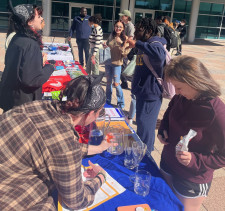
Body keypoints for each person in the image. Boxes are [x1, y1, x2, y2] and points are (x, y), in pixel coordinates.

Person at [0, 75, 117, 210]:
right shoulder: (65, 145)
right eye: (99, 112)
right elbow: (77, 201)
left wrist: (99, 148)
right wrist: (100, 177)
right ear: (90, 113)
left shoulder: (38, 105)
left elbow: (53, 145)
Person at [157, 56, 225, 211]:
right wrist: (163, 128)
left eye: (179, 87)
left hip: (192, 178)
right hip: (168, 162)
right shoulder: (181, 96)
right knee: (164, 205)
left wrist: (195, 159)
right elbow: (170, 111)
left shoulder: (217, 113)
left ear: (194, 82)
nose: (176, 92)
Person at [0, 3, 54, 112]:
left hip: (11, 96)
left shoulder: (17, 37)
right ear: (29, 22)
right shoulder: (30, 44)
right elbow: (32, 80)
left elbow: (19, 65)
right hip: (22, 103)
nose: (42, 19)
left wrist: (38, 60)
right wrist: (49, 67)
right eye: (38, 17)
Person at [127, 18, 166, 153]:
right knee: (142, 126)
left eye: (139, 30)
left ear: (149, 31)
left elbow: (160, 56)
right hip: (142, 93)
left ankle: (146, 157)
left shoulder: (156, 44)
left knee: (146, 129)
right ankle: (141, 152)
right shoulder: (145, 44)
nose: (136, 32)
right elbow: (139, 65)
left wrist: (137, 43)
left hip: (150, 95)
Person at [105, 20, 130, 108]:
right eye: (116, 26)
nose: (118, 28)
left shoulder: (125, 38)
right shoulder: (111, 35)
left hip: (117, 63)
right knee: (108, 83)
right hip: (108, 62)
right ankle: (108, 100)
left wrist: (121, 44)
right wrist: (105, 45)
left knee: (116, 84)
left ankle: (121, 103)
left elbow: (125, 54)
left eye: (120, 27)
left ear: (123, 28)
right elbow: (108, 44)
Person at [119, 9, 135, 89]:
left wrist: (125, 44)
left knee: (123, 66)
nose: (121, 17)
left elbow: (131, 38)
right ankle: (123, 81)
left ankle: (125, 82)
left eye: (122, 16)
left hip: (126, 49)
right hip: (122, 47)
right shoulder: (123, 24)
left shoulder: (130, 26)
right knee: (121, 65)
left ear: (127, 17)